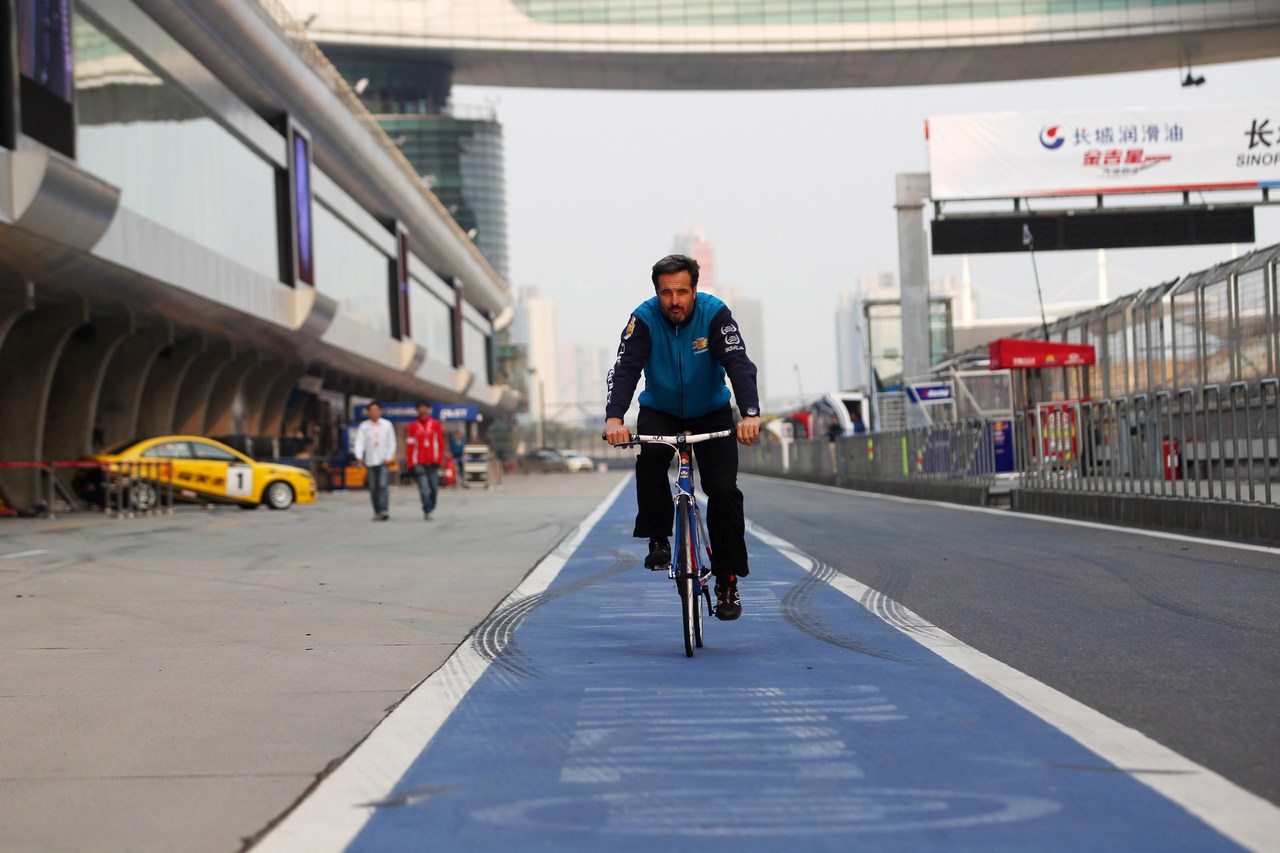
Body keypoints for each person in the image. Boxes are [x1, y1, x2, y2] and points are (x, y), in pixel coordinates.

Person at [603, 253, 761, 621]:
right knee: (651, 460)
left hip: (712, 410)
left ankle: (727, 581)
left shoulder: (715, 314)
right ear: (656, 292)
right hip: (661, 410)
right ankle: (658, 537)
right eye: (666, 293)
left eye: (682, 292)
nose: (674, 301)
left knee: (723, 491)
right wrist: (614, 418)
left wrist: (750, 414)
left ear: (694, 289)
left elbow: (739, 363)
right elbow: (625, 369)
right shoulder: (643, 319)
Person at [352, 401, 396, 520]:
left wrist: (389, 457)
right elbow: (359, 442)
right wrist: (359, 456)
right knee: (373, 487)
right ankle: (377, 511)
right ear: (368, 412)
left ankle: (384, 510)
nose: (374, 412)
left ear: (380, 411)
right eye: (371, 410)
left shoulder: (387, 425)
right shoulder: (364, 426)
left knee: (382, 485)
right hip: (370, 460)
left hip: (383, 460)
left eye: (376, 410)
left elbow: (392, 442)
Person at [406, 400, 445, 520]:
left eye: (425, 408)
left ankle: (431, 506)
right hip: (419, 462)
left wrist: (439, 458)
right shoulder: (413, 426)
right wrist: (411, 462)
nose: (422, 410)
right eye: (420, 408)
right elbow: (410, 445)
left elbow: (440, 443)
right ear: (417, 410)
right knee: (423, 488)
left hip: (433, 462)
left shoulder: (436, 424)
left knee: (434, 487)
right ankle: (427, 510)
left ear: (428, 410)